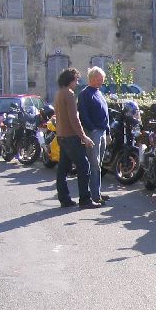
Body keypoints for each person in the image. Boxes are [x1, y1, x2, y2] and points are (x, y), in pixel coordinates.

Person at [53, 68, 99, 208]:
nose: (77, 83)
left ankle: (64, 199)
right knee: (84, 167)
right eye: (76, 80)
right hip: (71, 137)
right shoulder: (69, 94)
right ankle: (85, 200)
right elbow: (74, 118)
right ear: (70, 80)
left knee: (62, 169)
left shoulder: (59, 93)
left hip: (61, 135)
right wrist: (83, 136)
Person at [78, 66, 111, 203]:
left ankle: (97, 192)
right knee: (94, 164)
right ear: (91, 78)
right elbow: (83, 115)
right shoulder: (85, 94)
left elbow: (106, 114)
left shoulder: (99, 92)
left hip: (102, 132)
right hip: (94, 132)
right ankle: (95, 196)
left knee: (99, 164)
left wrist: (108, 132)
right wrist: (92, 130)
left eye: (102, 79)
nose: (101, 81)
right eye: (99, 79)